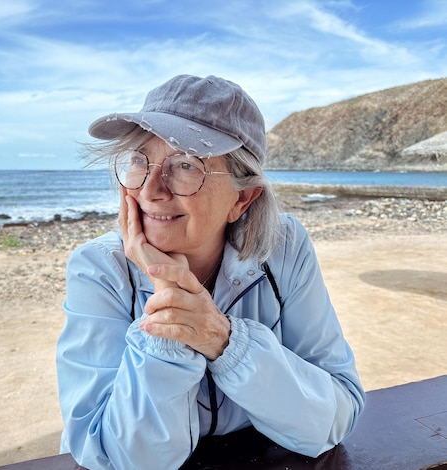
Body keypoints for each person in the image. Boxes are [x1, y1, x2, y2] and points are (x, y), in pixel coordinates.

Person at [56, 74, 365, 470]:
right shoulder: (99, 269)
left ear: (242, 198)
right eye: (139, 160)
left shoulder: (283, 248)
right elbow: (118, 458)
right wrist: (168, 315)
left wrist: (224, 341)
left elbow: (336, 417)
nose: (151, 190)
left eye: (184, 164)